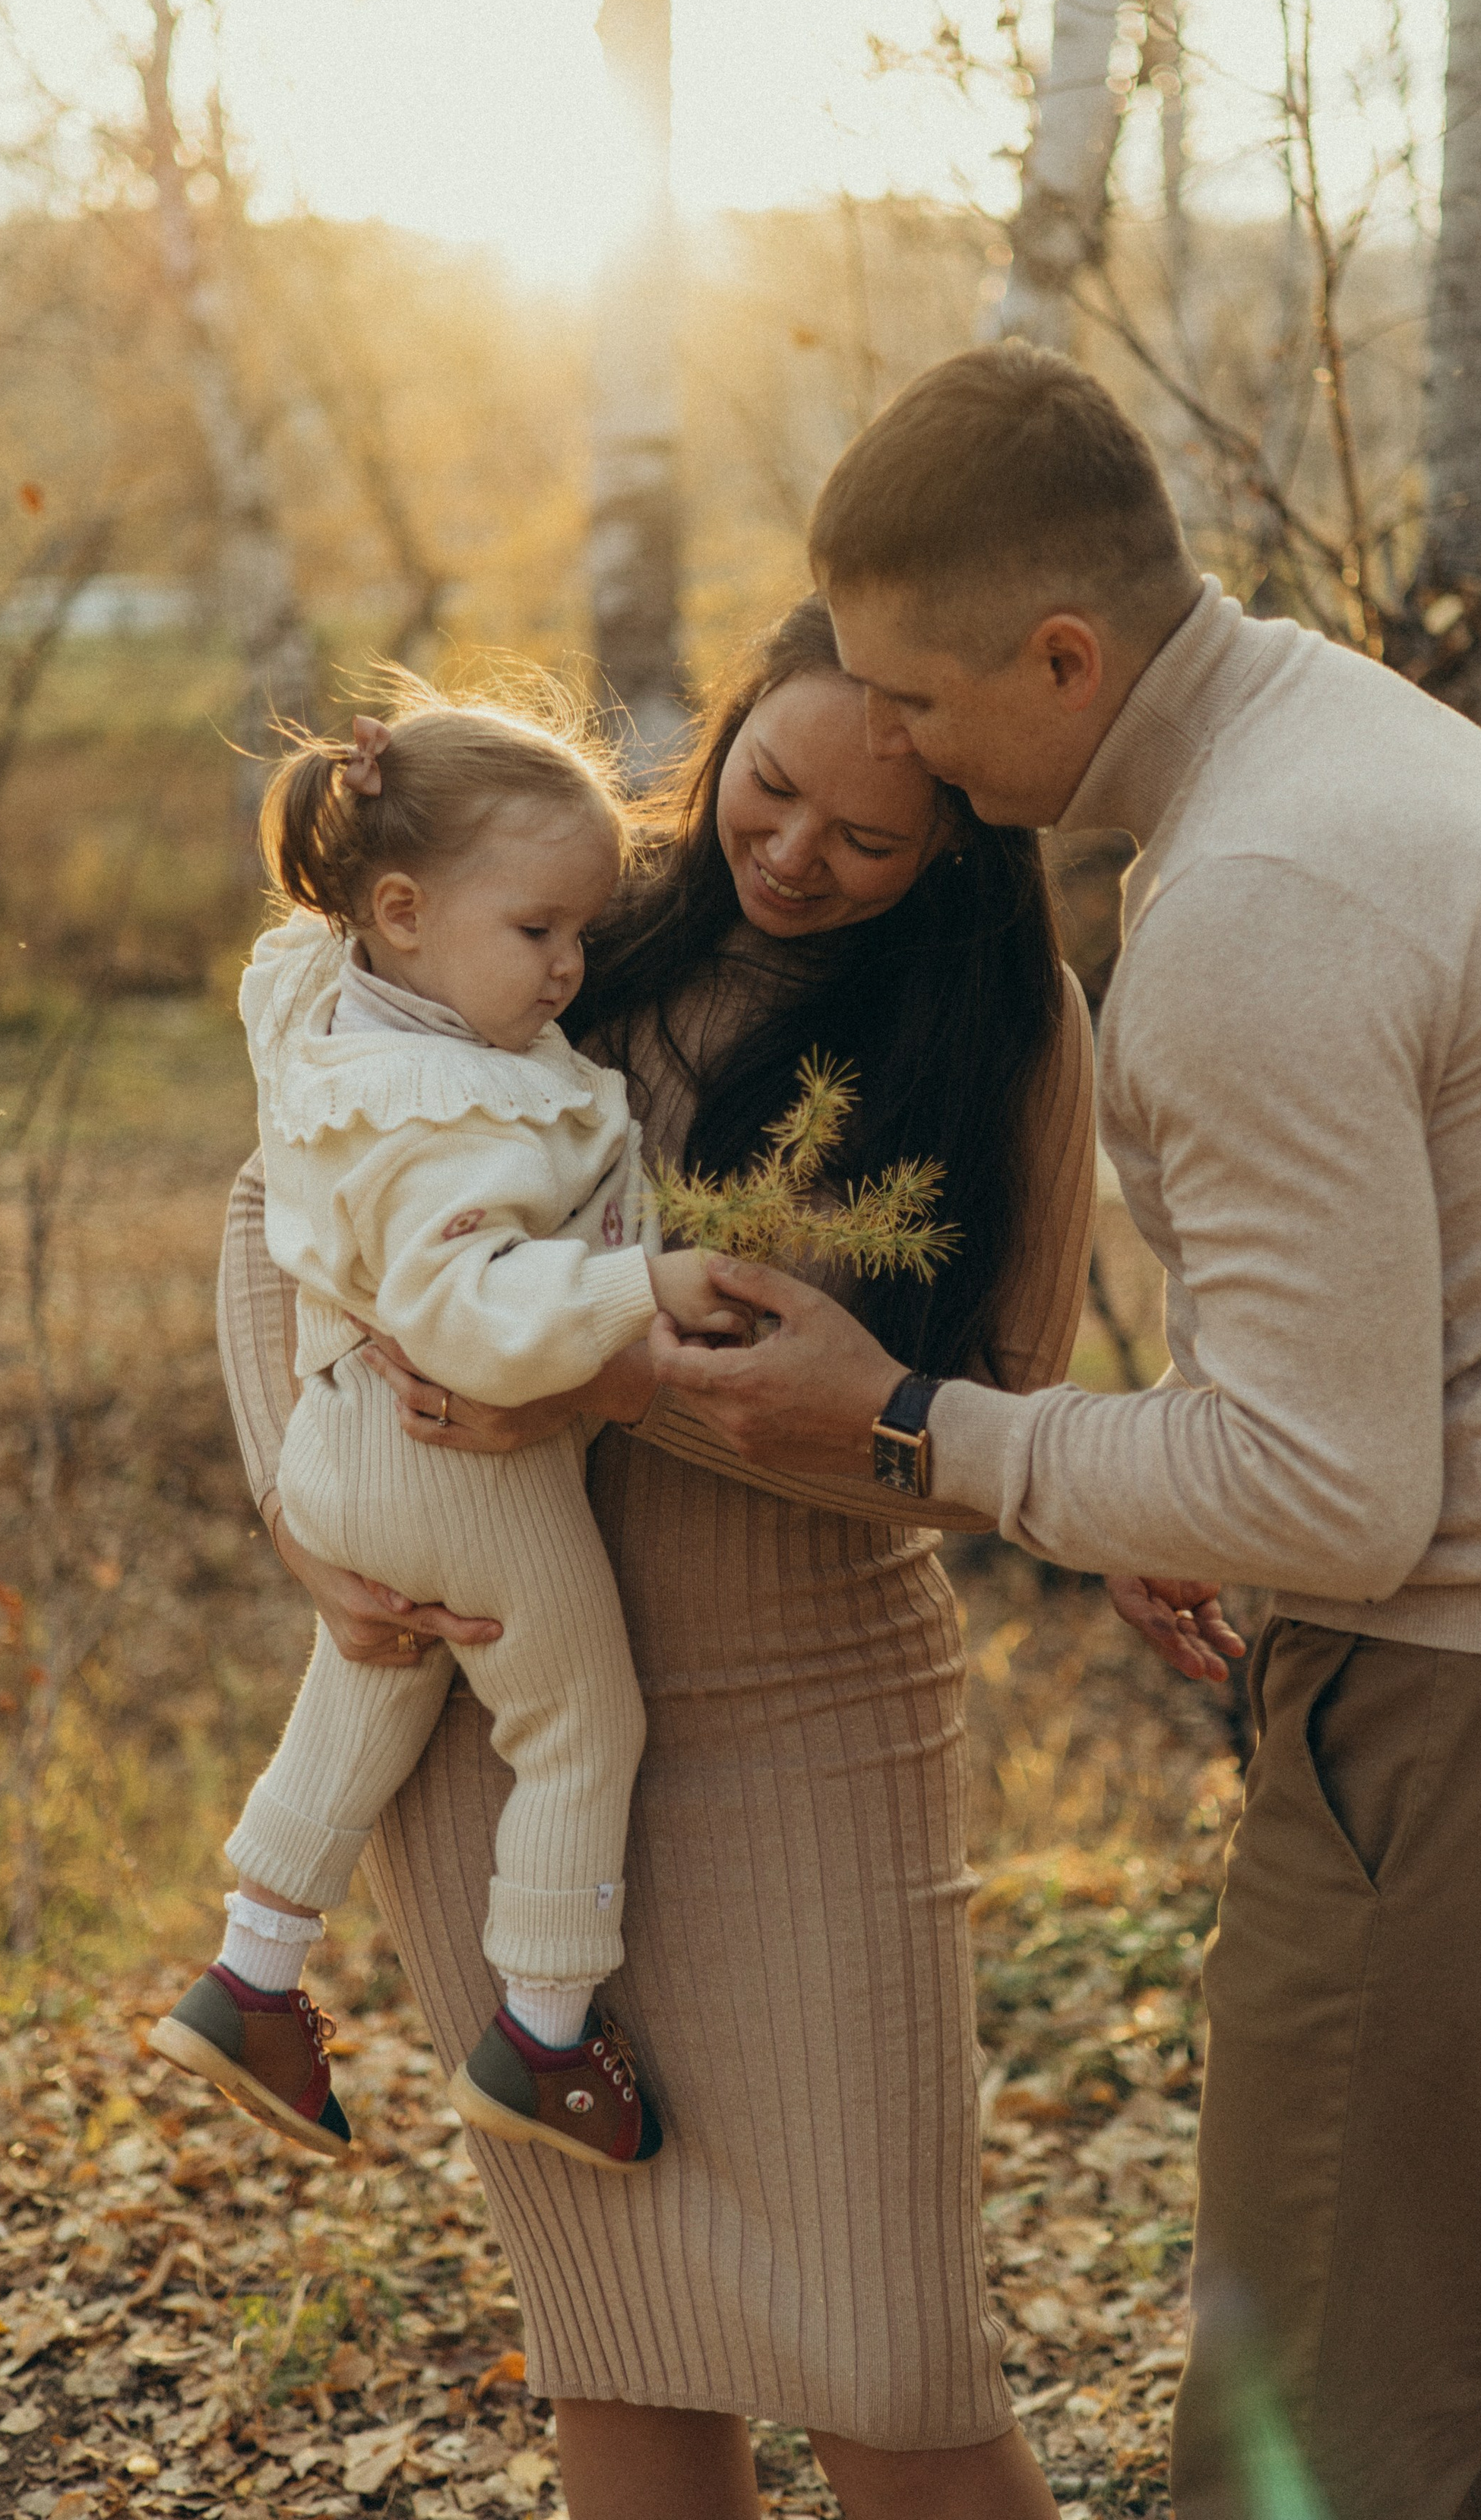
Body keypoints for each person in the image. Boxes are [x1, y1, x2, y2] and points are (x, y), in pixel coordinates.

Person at [653, 344, 1481, 2520]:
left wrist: (908, 1427)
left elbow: (1332, 1495)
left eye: (930, 713)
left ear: (1065, 653)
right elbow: (1355, 1392)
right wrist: (1160, 1466)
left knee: (1300, 2463)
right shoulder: (1345, 737)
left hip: (1473, 1745)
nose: (916, 771)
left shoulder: (1257, 906)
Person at [216, 596, 1097, 2520]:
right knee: (623, 2353)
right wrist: (308, 1513)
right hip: (490, 1720)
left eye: (865, 838)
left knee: (897, 2366)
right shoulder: (569, 924)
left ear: (958, 833)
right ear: (717, 748)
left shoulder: (1002, 1037)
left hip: (813, 1724)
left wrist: (625, 1391)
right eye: (764, 791)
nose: (790, 856)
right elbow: (284, 1191)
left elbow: (989, 1438)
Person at [155, 690, 740, 2171]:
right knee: (578, 1728)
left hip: (335, 1441)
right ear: (404, 912)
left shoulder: (324, 999)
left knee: (373, 1684)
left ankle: (254, 1973)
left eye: (579, 935)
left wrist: (374, 829)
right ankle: (544, 2036)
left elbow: (300, 939)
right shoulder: (452, 1112)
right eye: (536, 930)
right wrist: (638, 1282)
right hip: (455, 1460)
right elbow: (470, 1315)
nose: (567, 968)